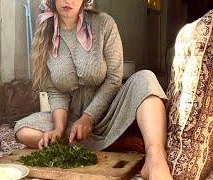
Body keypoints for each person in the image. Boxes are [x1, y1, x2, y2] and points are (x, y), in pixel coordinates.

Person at [14, 0, 172, 179]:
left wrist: (89, 118)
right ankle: (115, 143)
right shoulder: (44, 33)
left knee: (146, 79)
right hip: (73, 123)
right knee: (23, 131)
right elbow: (56, 90)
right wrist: (58, 129)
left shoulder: (104, 23)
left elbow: (114, 79)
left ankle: (156, 158)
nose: (68, 0)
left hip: (111, 113)